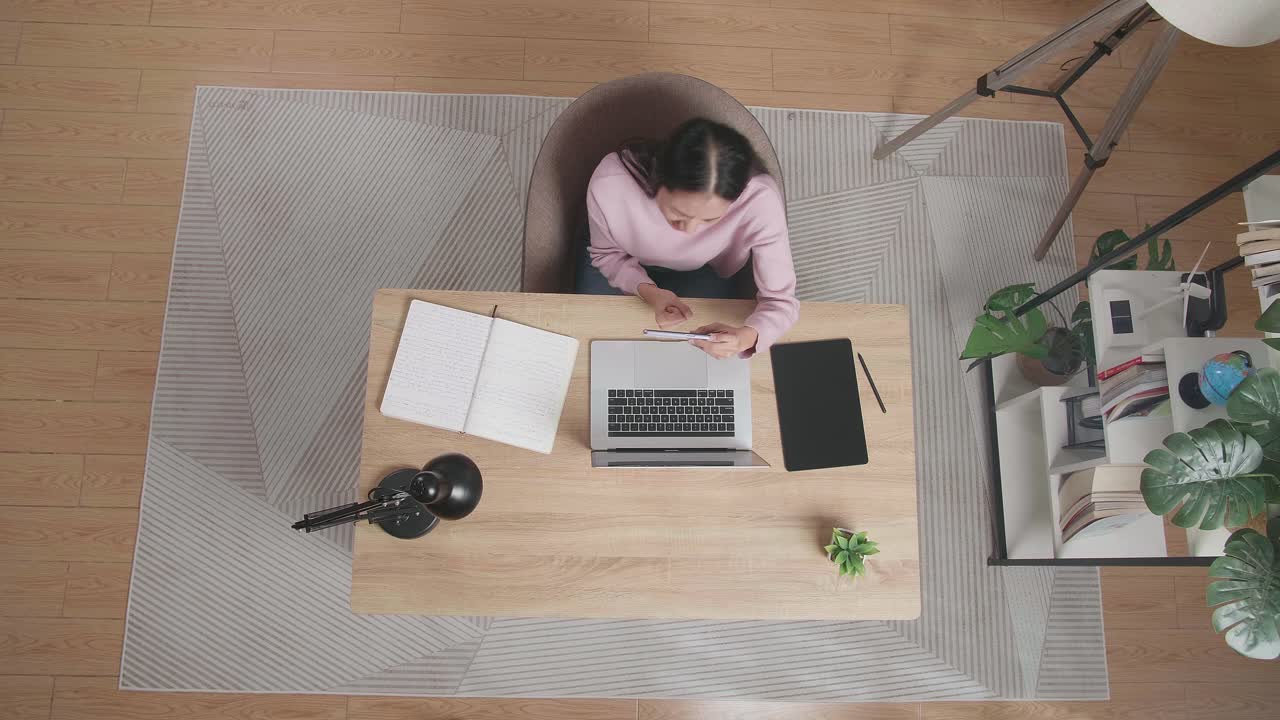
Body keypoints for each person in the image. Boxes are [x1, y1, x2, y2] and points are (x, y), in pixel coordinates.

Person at [576, 118, 799, 359]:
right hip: (617, 257)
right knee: (593, 347)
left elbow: (781, 301)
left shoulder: (759, 200)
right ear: (658, 179)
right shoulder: (612, 183)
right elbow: (606, 255)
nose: (691, 231)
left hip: (701, 269)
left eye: (710, 220)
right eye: (679, 214)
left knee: (691, 361)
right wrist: (650, 292)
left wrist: (743, 338)